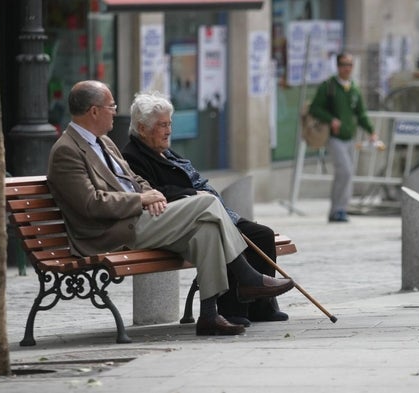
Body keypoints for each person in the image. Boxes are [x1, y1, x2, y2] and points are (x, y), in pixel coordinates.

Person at [47, 80, 295, 337]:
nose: (115, 110)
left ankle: (210, 315)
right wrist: (141, 200)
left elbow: (134, 180)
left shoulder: (106, 143)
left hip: (140, 217)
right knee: (207, 201)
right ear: (94, 111)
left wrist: (149, 193)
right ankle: (247, 277)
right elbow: (91, 204)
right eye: (111, 106)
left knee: (207, 230)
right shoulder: (67, 150)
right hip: (112, 231)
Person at [122, 91, 288, 327]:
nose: (168, 130)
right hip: (184, 218)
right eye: (161, 125)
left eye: (169, 123)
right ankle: (233, 308)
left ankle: (261, 305)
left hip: (207, 208)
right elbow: (155, 192)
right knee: (225, 234)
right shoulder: (133, 156)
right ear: (141, 127)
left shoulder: (166, 151)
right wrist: (192, 194)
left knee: (263, 234)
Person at [309, 53, 378, 223]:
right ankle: (337, 209)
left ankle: (340, 209)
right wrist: (330, 119)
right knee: (345, 171)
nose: (346, 68)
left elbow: (360, 113)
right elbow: (314, 108)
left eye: (349, 65)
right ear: (337, 66)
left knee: (346, 174)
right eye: (343, 64)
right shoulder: (329, 86)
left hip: (349, 137)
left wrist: (371, 131)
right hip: (335, 137)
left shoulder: (354, 88)